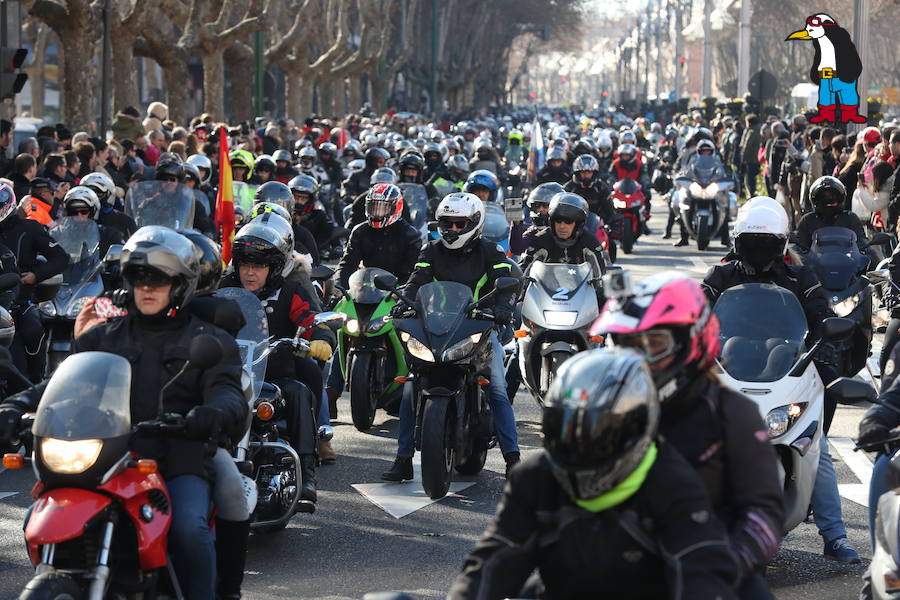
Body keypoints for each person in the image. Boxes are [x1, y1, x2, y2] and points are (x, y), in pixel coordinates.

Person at [0, 226, 247, 600]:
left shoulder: (209, 340)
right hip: (107, 456)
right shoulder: (104, 335)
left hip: (176, 456)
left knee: (187, 529)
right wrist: (16, 405)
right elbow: (64, 382)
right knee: (44, 514)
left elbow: (228, 392)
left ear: (180, 284)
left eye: (159, 278)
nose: (147, 287)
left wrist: (211, 414)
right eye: (138, 276)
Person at [448, 349, 741, 600]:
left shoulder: (675, 484)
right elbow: (492, 562)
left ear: (637, 429)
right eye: (567, 430)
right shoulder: (535, 478)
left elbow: (703, 577)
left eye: (599, 434)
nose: (580, 447)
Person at [595, 272, 785, 598]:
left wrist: (724, 567)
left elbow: (764, 515)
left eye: (655, 344)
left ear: (691, 341)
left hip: (710, 571)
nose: (640, 360)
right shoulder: (604, 409)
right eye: (629, 345)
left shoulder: (732, 413)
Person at [702, 200, 861, 564]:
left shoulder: (799, 276)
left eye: (765, 242)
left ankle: (835, 537)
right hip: (728, 369)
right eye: (751, 242)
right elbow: (693, 310)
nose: (758, 250)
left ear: (780, 243)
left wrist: (826, 345)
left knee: (814, 448)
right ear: (738, 241)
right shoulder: (721, 275)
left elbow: (821, 315)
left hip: (785, 373)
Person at [381, 192, 521, 481]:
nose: (453, 230)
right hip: (438, 328)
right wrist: (404, 302)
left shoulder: (491, 252)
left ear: (474, 223)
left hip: (479, 327)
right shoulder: (430, 250)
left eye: (460, 224)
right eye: (448, 224)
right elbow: (416, 281)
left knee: (496, 388)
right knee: (410, 386)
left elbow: (506, 285)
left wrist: (503, 309)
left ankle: (513, 459)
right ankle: (403, 459)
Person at [220, 215, 334, 503]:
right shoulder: (222, 289)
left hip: (272, 374)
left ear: (273, 267)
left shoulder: (289, 291)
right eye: (245, 264)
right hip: (225, 374)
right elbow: (197, 313)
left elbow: (310, 319)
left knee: (297, 392)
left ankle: (307, 472)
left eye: (258, 265)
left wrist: (320, 337)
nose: (250, 272)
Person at [795, 176, 867, 253]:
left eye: (833, 197)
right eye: (823, 198)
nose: (828, 201)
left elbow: (862, 243)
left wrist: (868, 255)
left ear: (841, 198)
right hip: (814, 264)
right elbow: (798, 247)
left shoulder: (850, 218)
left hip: (848, 263)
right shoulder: (807, 220)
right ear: (815, 200)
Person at [59, 186, 125, 257]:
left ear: (93, 212)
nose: (79, 216)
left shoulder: (109, 235)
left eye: (84, 211)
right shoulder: (58, 235)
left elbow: (120, 256)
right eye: (73, 212)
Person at [563, 154, 621, 231]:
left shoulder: (601, 187)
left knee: (611, 242)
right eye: (583, 172)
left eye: (589, 172)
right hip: (572, 228)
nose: (586, 175)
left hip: (597, 228)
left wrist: (611, 224)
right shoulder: (568, 188)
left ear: (594, 173)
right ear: (577, 173)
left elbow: (609, 210)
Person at [508, 182, 563, 256]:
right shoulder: (535, 230)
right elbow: (516, 249)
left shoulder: (570, 228)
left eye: (545, 205)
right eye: (537, 205)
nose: (540, 209)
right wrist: (516, 224)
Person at [81, 171, 137, 239]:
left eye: (98, 193)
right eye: (88, 194)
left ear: (108, 194)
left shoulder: (125, 221)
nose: (94, 198)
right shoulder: (78, 220)